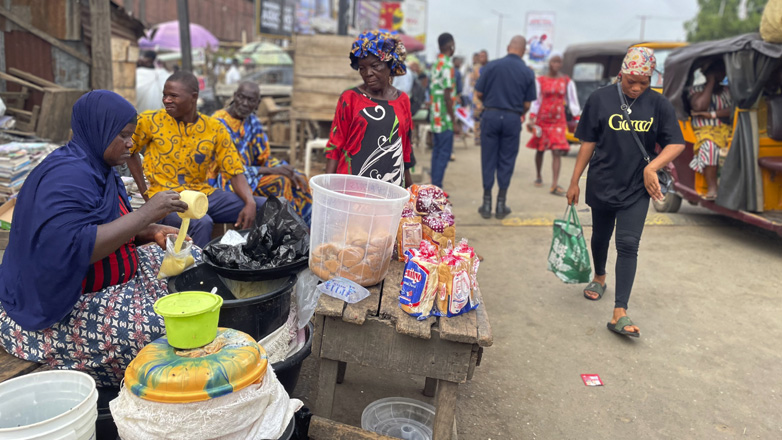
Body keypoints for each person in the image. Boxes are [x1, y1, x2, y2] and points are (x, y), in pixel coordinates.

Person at [0, 90, 196, 387]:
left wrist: (150, 231)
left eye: (132, 135)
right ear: (98, 129)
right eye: (123, 135)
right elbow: (71, 247)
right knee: (162, 333)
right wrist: (147, 214)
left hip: (115, 280)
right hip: (66, 303)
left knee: (192, 264)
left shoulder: (100, 169)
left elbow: (106, 223)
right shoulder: (65, 177)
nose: (130, 143)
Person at [566, 47, 685, 338]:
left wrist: (652, 167)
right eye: (632, 81)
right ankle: (599, 276)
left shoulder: (658, 104)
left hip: (637, 187)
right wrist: (574, 180)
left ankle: (620, 310)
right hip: (603, 181)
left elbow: (676, 143)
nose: (637, 88)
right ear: (621, 74)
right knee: (600, 236)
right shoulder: (600, 99)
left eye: (644, 82)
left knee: (629, 244)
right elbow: (588, 142)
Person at [128, 71, 265, 247]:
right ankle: (196, 265)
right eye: (165, 95)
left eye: (173, 96)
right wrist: (146, 193)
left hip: (204, 195)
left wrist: (250, 202)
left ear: (193, 97)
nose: (166, 100)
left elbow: (234, 170)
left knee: (266, 206)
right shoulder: (150, 121)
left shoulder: (214, 128)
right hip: (168, 200)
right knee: (201, 223)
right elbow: (130, 150)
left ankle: (264, 259)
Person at [213, 82, 313, 224]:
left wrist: (286, 169)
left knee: (299, 178)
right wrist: (273, 170)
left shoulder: (252, 121)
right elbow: (227, 169)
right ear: (235, 96)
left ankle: (305, 226)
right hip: (228, 180)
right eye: (241, 97)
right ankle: (286, 228)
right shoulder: (218, 123)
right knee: (280, 181)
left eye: (251, 100)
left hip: (251, 175)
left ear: (257, 103)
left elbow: (263, 158)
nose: (245, 103)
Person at [325, 30, 414, 187]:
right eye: (362, 68)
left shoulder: (402, 100)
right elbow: (335, 146)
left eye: (375, 66)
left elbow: (405, 149)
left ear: (390, 64)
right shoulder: (350, 98)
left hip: (390, 189)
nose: (368, 73)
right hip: (351, 188)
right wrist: (326, 188)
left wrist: (411, 189)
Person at [474, 36, 537, 219]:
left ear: (508, 47)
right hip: (512, 118)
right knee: (507, 160)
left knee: (488, 159)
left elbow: (479, 92)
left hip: (491, 115)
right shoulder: (527, 72)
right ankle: (501, 205)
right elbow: (527, 104)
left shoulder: (492, 66)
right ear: (523, 51)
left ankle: (486, 204)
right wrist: (515, 112)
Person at [526, 52, 581, 196]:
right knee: (540, 149)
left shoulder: (566, 81)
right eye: (553, 61)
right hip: (542, 119)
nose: (556, 64)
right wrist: (532, 117)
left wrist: (577, 118)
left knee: (557, 151)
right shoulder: (540, 81)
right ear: (549, 63)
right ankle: (538, 175)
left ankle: (554, 184)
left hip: (558, 120)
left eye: (558, 62)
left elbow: (572, 101)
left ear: (561, 64)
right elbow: (536, 100)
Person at [688, 59, 732, 200]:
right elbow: (699, 106)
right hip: (703, 131)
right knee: (709, 146)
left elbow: (733, 110)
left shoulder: (728, 91)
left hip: (725, 129)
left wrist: (712, 114)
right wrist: (711, 83)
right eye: (715, 72)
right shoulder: (696, 90)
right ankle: (712, 187)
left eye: (721, 71)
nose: (720, 74)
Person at [429, 33, 459, 188]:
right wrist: (454, 121)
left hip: (435, 116)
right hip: (444, 118)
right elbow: (447, 96)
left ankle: (434, 186)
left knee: (437, 152)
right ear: (450, 46)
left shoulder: (436, 63)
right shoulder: (447, 65)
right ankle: (437, 187)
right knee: (444, 154)